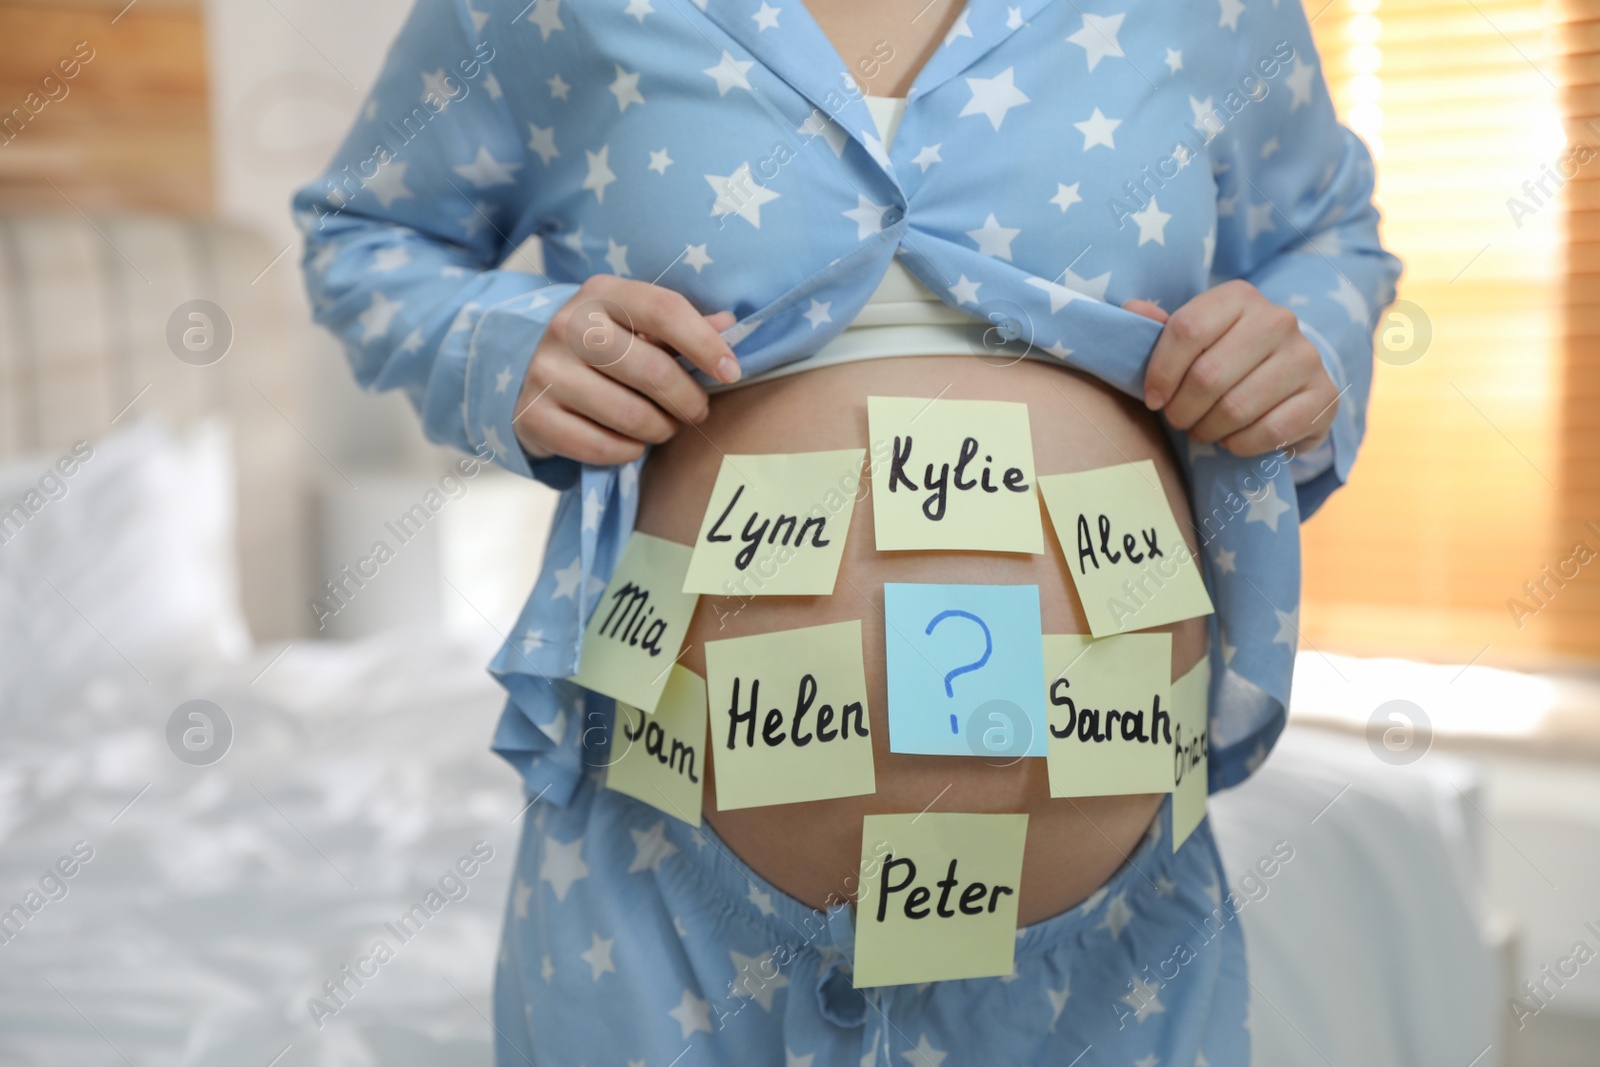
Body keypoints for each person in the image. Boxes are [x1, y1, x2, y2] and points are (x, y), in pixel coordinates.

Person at [292, 0, 1401, 1061]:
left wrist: (1298, 351)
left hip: (1118, 944)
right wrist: (507, 343)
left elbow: (1326, 234)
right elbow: (365, 230)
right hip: (656, 902)